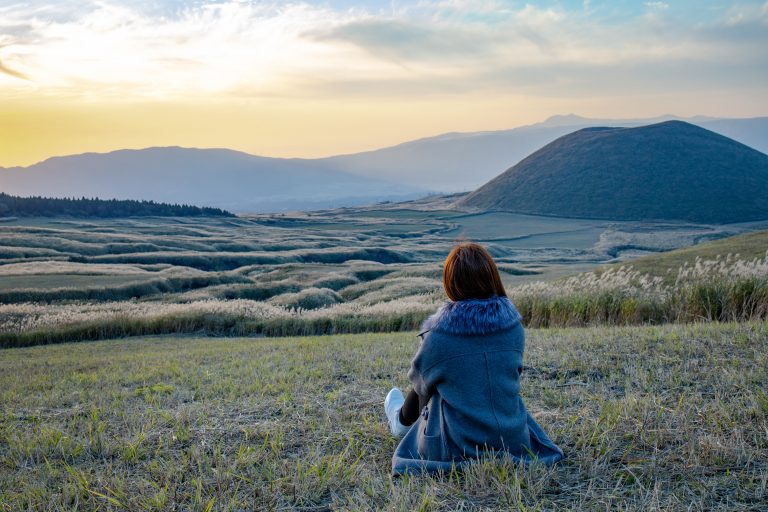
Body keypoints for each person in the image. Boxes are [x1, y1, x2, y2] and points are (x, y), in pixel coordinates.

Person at [384, 242, 564, 475]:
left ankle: (399, 422)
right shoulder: (514, 329)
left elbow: (422, 391)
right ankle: (400, 420)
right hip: (513, 441)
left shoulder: (439, 336)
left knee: (430, 384)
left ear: (451, 283)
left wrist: (414, 422)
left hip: (458, 447)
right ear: (492, 277)